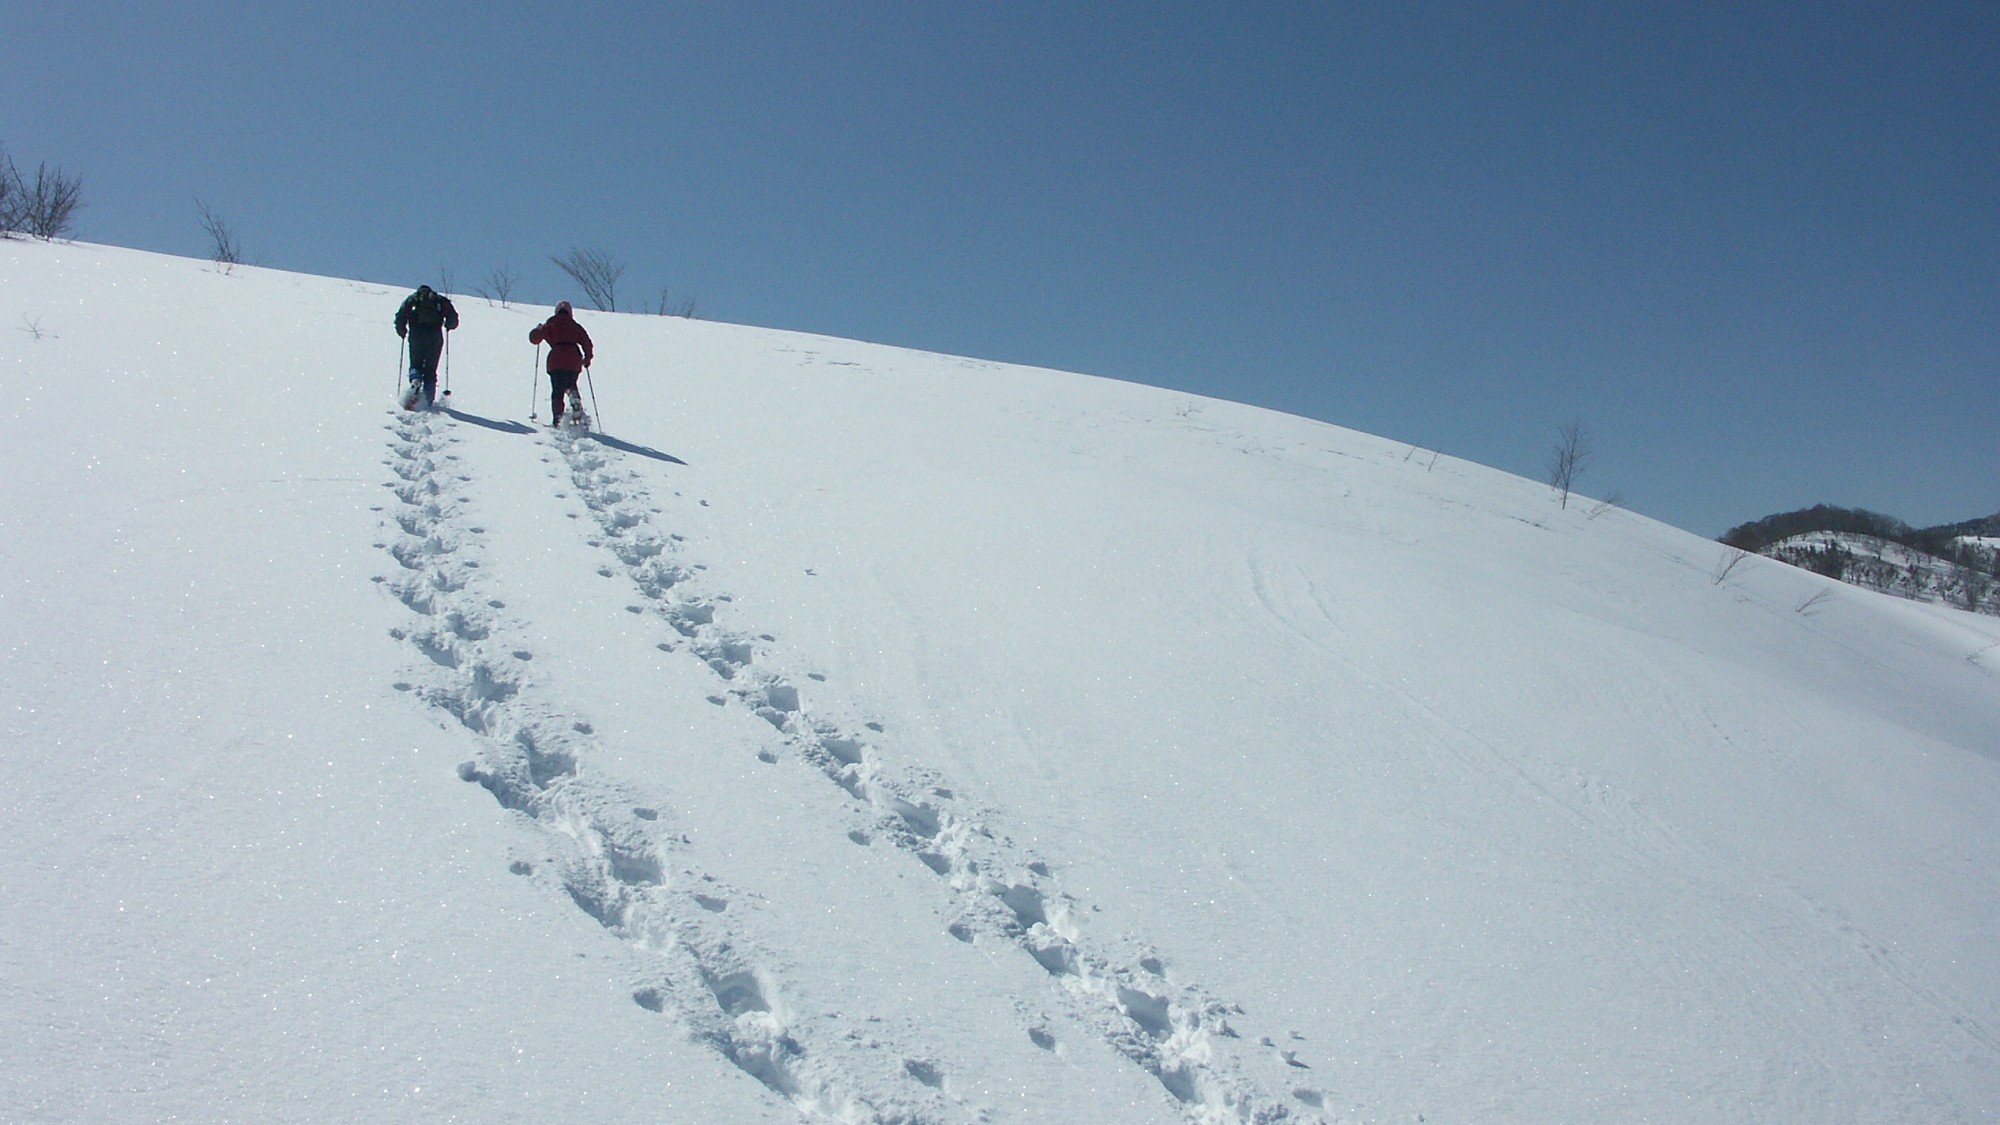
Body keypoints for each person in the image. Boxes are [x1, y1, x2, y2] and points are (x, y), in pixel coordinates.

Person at [529, 300, 595, 426]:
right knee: (570, 383)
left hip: (556, 360)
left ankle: (558, 419)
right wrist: (587, 359)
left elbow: (534, 339)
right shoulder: (575, 326)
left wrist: (538, 329)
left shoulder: (550, 324)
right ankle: (574, 399)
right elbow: (587, 342)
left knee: (557, 390)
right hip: (573, 359)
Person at [394, 284, 460, 408]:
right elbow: (453, 319)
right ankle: (427, 400)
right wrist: (448, 325)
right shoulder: (440, 301)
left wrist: (402, 331)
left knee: (415, 364)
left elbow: (400, 317)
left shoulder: (412, 300)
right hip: (435, 336)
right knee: (431, 370)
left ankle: (415, 379)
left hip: (416, 335)